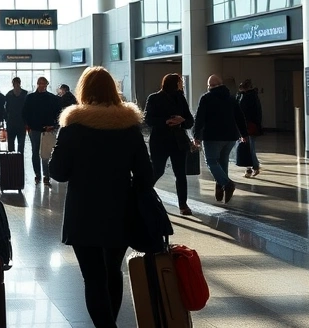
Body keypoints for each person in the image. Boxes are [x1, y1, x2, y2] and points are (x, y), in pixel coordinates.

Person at [48, 66, 154, 328]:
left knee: (93, 278)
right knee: (113, 272)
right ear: (112, 90)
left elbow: (58, 173)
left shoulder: (73, 127)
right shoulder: (128, 127)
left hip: (83, 211)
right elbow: (146, 173)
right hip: (121, 209)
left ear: (82, 91)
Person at [143, 73, 195, 215]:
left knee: (181, 173)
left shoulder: (180, 98)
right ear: (174, 83)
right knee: (158, 170)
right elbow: (148, 119)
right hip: (160, 140)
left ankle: (183, 205)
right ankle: (143, 193)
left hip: (178, 141)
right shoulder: (154, 98)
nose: (182, 84)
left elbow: (190, 120)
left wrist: (181, 120)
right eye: (179, 82)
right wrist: (166, 121)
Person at [192, 74, 247, 204]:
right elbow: (240, 116)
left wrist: (196, 136)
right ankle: (220, 187)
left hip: (212, 136)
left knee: (211, 161)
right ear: (221, 84)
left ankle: (226, 184)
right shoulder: (231, 98)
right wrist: (244, 134)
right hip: (230, 137)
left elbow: (199, 118)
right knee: (223, 162)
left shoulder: (206, 98)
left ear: (210, 86)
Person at [22, 77, 61, 186]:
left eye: (44, 83)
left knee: (46, 153)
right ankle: (38, 174)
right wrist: (28, 126)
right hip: (34, 129)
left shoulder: (52, 98)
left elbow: (58, 114)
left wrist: (54, 126)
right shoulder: (30, 98)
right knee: (35, 152)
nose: (42, 85)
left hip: (48, 129)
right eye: (40, 83)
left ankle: (46, 175)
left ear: (47, 85)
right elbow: (25, 113)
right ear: (37, 84)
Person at [237, 79, 262, 178]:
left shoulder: (244, 97)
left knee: (248, 148)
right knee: (249, 148)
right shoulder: (252, 97)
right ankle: (251, 167)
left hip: (247, 126)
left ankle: (253, 167)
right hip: (250, 126)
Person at [4, 77, 28, 156]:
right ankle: (19, 162)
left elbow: (6, 109)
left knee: (11, 144)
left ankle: (13, 163)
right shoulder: (25, 94)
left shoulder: (9, 94)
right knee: (20, 145)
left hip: (12, 122)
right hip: (21, 123)